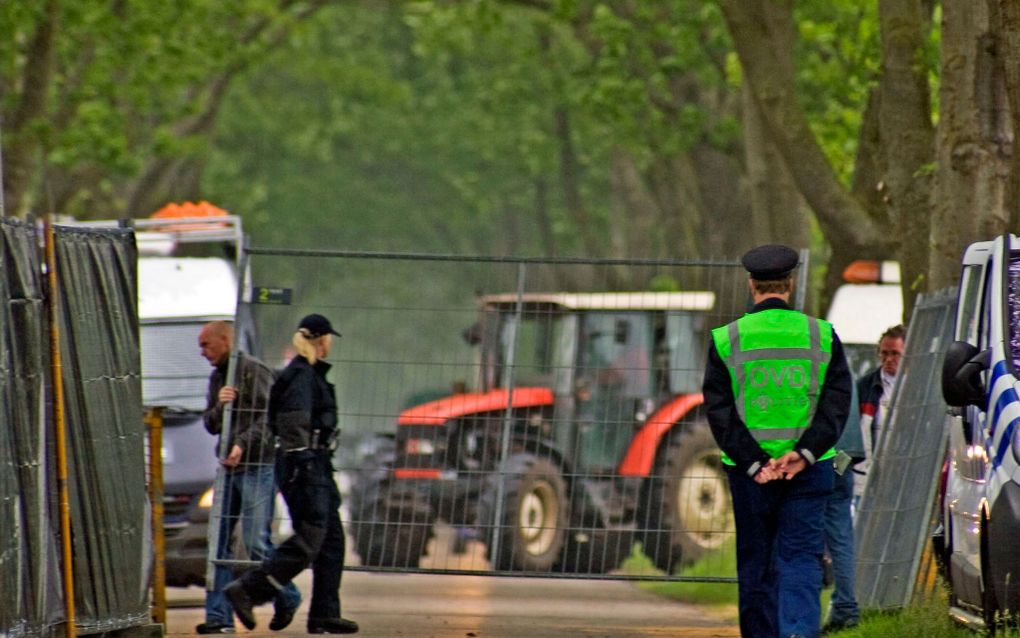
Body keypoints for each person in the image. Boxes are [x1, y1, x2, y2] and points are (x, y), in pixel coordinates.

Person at [703, 244, 852, 638]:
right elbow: (836, 403)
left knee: (756, 562)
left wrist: (755, 462)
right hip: (809, 470)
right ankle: (800, 633)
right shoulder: (821, 335)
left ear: (751, 285)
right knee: (802, 558)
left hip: (750, 476)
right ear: (791, 283)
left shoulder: (726, 338)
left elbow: (720, 413)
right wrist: (803, 454)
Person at [224, 314, 358, 634]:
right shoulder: (300, 376)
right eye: (328, 339)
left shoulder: (308, 373)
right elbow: (293, 424)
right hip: (305, 466)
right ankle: (250, 589)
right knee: (311, 537)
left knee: (331, 542)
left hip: (314, 464)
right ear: (320, 340)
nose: (330, 345)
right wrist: (305, 463)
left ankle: (325, 613)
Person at [195, 321, 302, 634]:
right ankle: (218, 618)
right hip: (228, 469)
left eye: (206, 344)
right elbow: (210, 424)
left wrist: (243, 443)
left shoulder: (254, 371)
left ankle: (287, 595)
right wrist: (220, 405)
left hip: (257, 466)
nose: (202, 352)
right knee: (219, 544)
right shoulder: (218, 377)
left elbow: (270, 418)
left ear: (225, 340)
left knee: (256, 542)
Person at [820, 384, 864, 634]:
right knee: (840, 535)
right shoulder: (841, 362)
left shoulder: (810, 355)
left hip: (818, 455)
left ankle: (805, 609)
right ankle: (846, 607)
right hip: (844, 455)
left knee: (805, 533)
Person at [852, 324, 906, 499]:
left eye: (895, 354)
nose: (889, 359)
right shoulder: (864, 387)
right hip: (869, 475)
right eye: (884, 353)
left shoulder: (919, 388)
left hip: (904, 473)